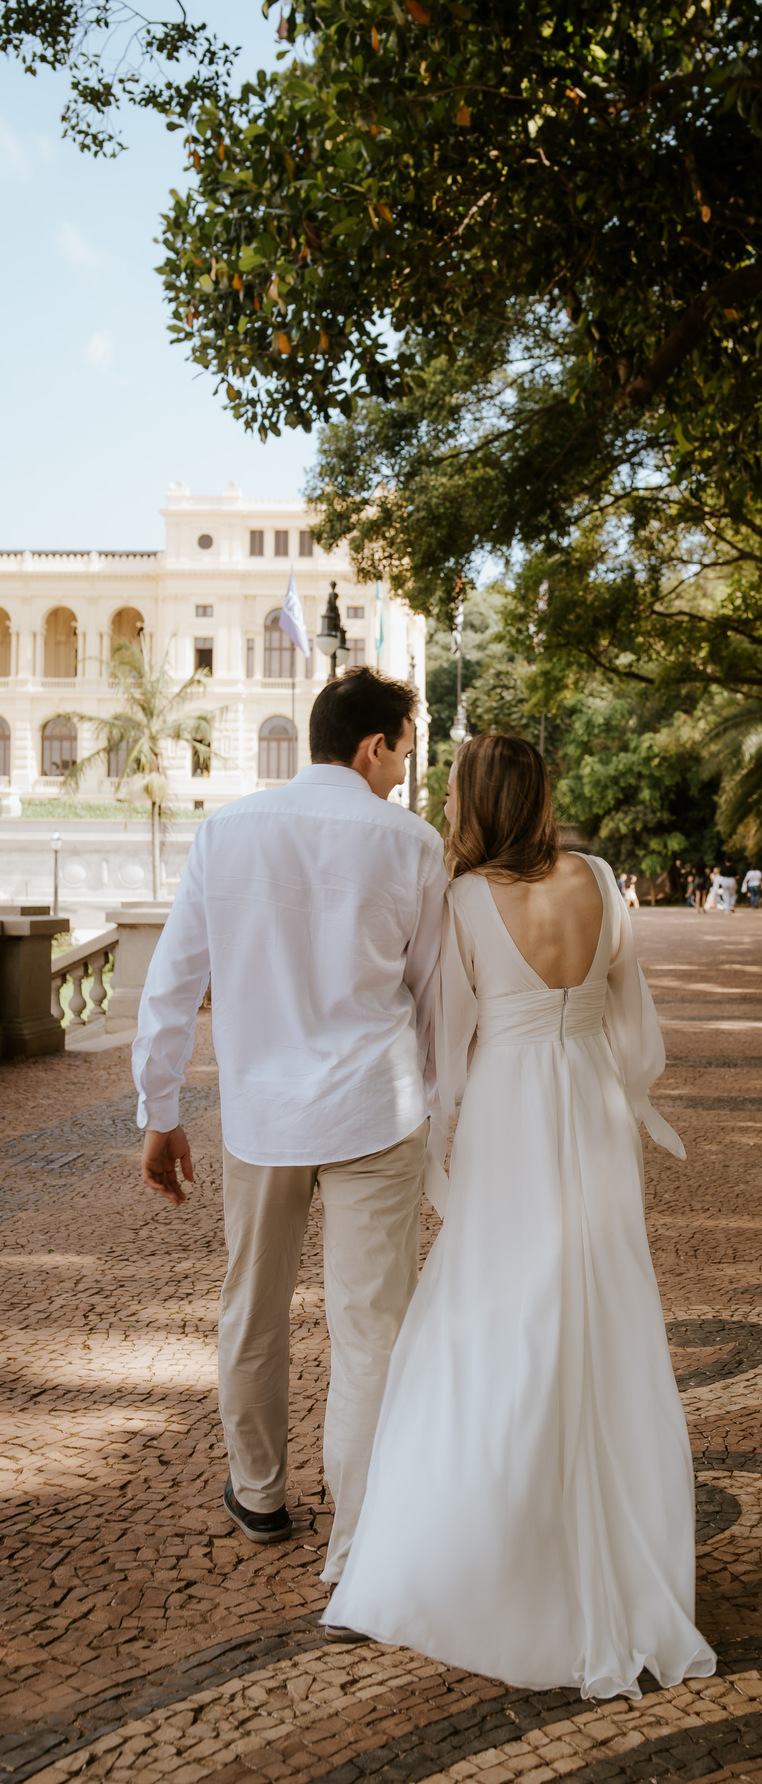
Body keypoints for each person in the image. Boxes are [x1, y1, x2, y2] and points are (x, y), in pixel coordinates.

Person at [325, 734, 715, 1701]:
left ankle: (497, 1554)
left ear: (476, 801)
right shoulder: (599, 878)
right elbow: (634, 1021)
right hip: (590, 1105)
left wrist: (434, 1141)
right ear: (539, 796)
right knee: (601, 1311)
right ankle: (613, 1544)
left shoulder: (462, 899)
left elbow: (447, 1042)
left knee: (497, 1314)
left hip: (510, 1109)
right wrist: (613, 1077)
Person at [132, 668, 445, 1591]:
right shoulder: (411, 841)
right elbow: (435, 998)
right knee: (372, 1327)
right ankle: (365, 1527)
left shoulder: (226, 831)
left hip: (261, 1115)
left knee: (253, 1307)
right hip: (376, 1110)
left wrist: (160, 1112)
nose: (404, 768)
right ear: (373, 746)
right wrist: (441, 1105)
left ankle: (260, 1492)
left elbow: (171, 985)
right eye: (404, 750)